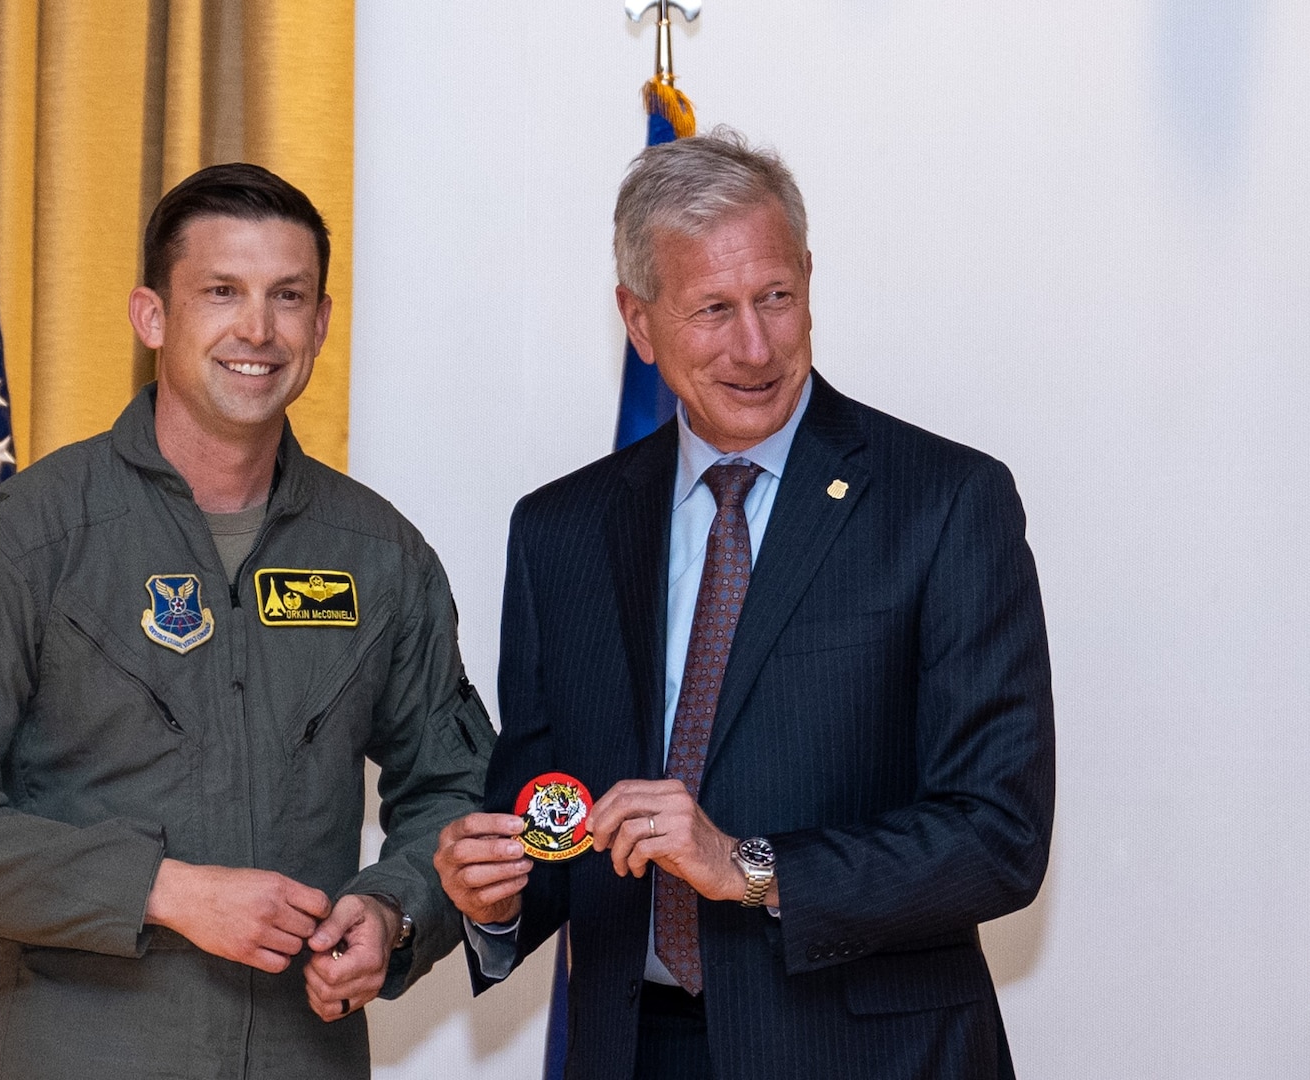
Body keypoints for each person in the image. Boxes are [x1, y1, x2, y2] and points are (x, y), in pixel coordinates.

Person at [435, 128, 1054, 1080]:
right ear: (638, 322)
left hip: (866, 1056)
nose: (756, 345)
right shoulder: (559, 532)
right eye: (712, 310)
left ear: (808, 276)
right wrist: (499, 896)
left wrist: (752, 867)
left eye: (776, 297)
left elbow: (998, 836)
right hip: (633, 1051)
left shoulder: (945, 502)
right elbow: (549, 814)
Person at [0, 163, 495, 1080]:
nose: (259, 329)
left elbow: (457, 786)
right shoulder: (31, 539)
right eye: (222, 293)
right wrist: (162, 892)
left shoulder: (379, 555)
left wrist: (395, 914)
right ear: (152, 316)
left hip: (301, 1056)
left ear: (321, 323)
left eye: (289, 297)